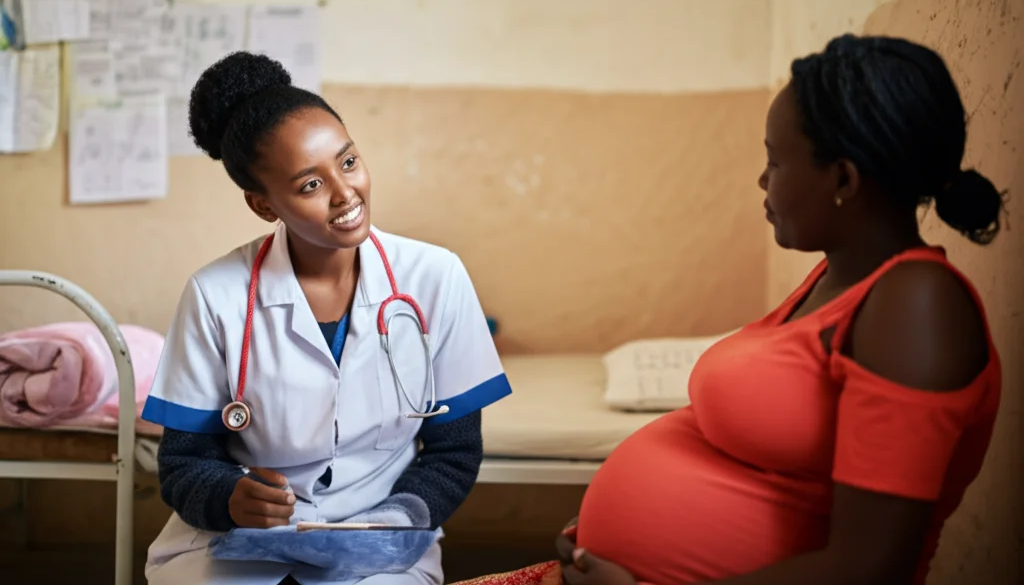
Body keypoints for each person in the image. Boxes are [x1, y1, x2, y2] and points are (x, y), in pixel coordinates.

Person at [458, 34, 1004, 585]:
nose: (763, 181)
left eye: (775, 161)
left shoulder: (917, 305)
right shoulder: (835, 277)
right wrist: (604, 530)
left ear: (842, 178)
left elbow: (871, 569)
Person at [141, 51, 512, 585]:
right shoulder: (215, 294)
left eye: (349, 161)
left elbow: (455, 451)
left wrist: (398, 518)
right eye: (309, 185)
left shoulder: (436, 277)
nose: (345, 194)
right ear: (263, 205)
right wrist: (227, 497)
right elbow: (182, 463)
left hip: (381, 541)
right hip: (238, 546)